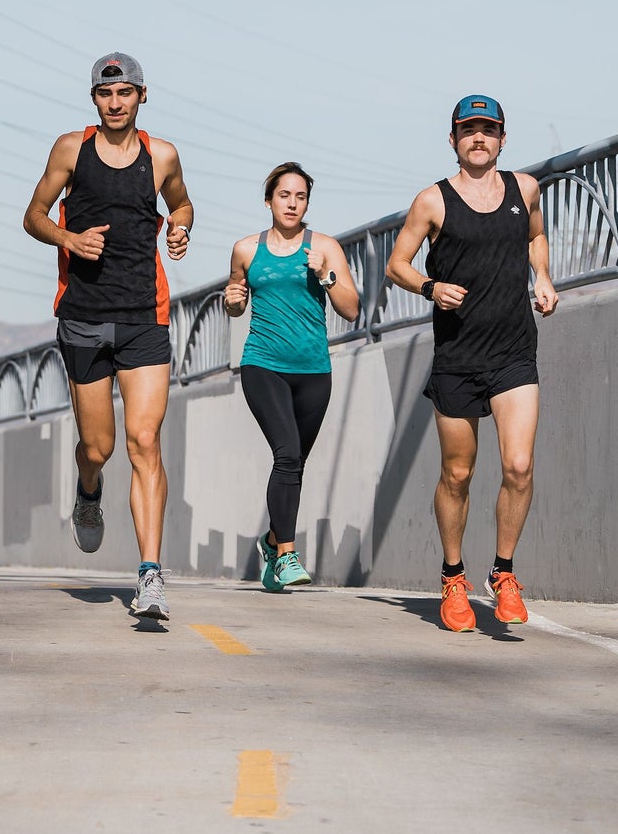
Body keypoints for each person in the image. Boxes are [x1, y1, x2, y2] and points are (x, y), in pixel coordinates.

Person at [22, 52, 193, 622]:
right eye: (105, 94)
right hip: (84, 316)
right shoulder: (71, 149)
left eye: (125, 93)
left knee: (146, 441)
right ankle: (88, 488)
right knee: (100, 446)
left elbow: (182, 202)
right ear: (94, 99)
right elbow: (34, 215)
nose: (115, 103)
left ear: (143, 95)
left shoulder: (161, 154)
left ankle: (149, 575)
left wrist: (182, 225)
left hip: (146, 314)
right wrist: (68, 241)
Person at [386, 94, 558, 632]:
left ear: (503, 138)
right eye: (468, 130)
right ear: (454, 140)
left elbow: (535, 236)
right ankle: (453, 576)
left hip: (513, 352)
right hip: (458, 355)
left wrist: (544, 277)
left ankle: (503, 573)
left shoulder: (524, 189)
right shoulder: (432, 201)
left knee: (519, 466)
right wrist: (431, 287)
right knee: (457, 473)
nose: (478, 138)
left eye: (488, 130)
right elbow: (396, 264)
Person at [223, 163, 360, 592]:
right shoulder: (246, 249)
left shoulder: (325, 248)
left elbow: (352, 309)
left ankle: (269, 541)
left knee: (294, 462)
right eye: (284, 195)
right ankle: (286, 554)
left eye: (300, 197)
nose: (292, 203)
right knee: (286, 453)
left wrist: (325, 275)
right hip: (263, 365)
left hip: (314, 370)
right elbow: (235, 301)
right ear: (269, 200)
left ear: (307, 204)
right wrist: (231, 300)